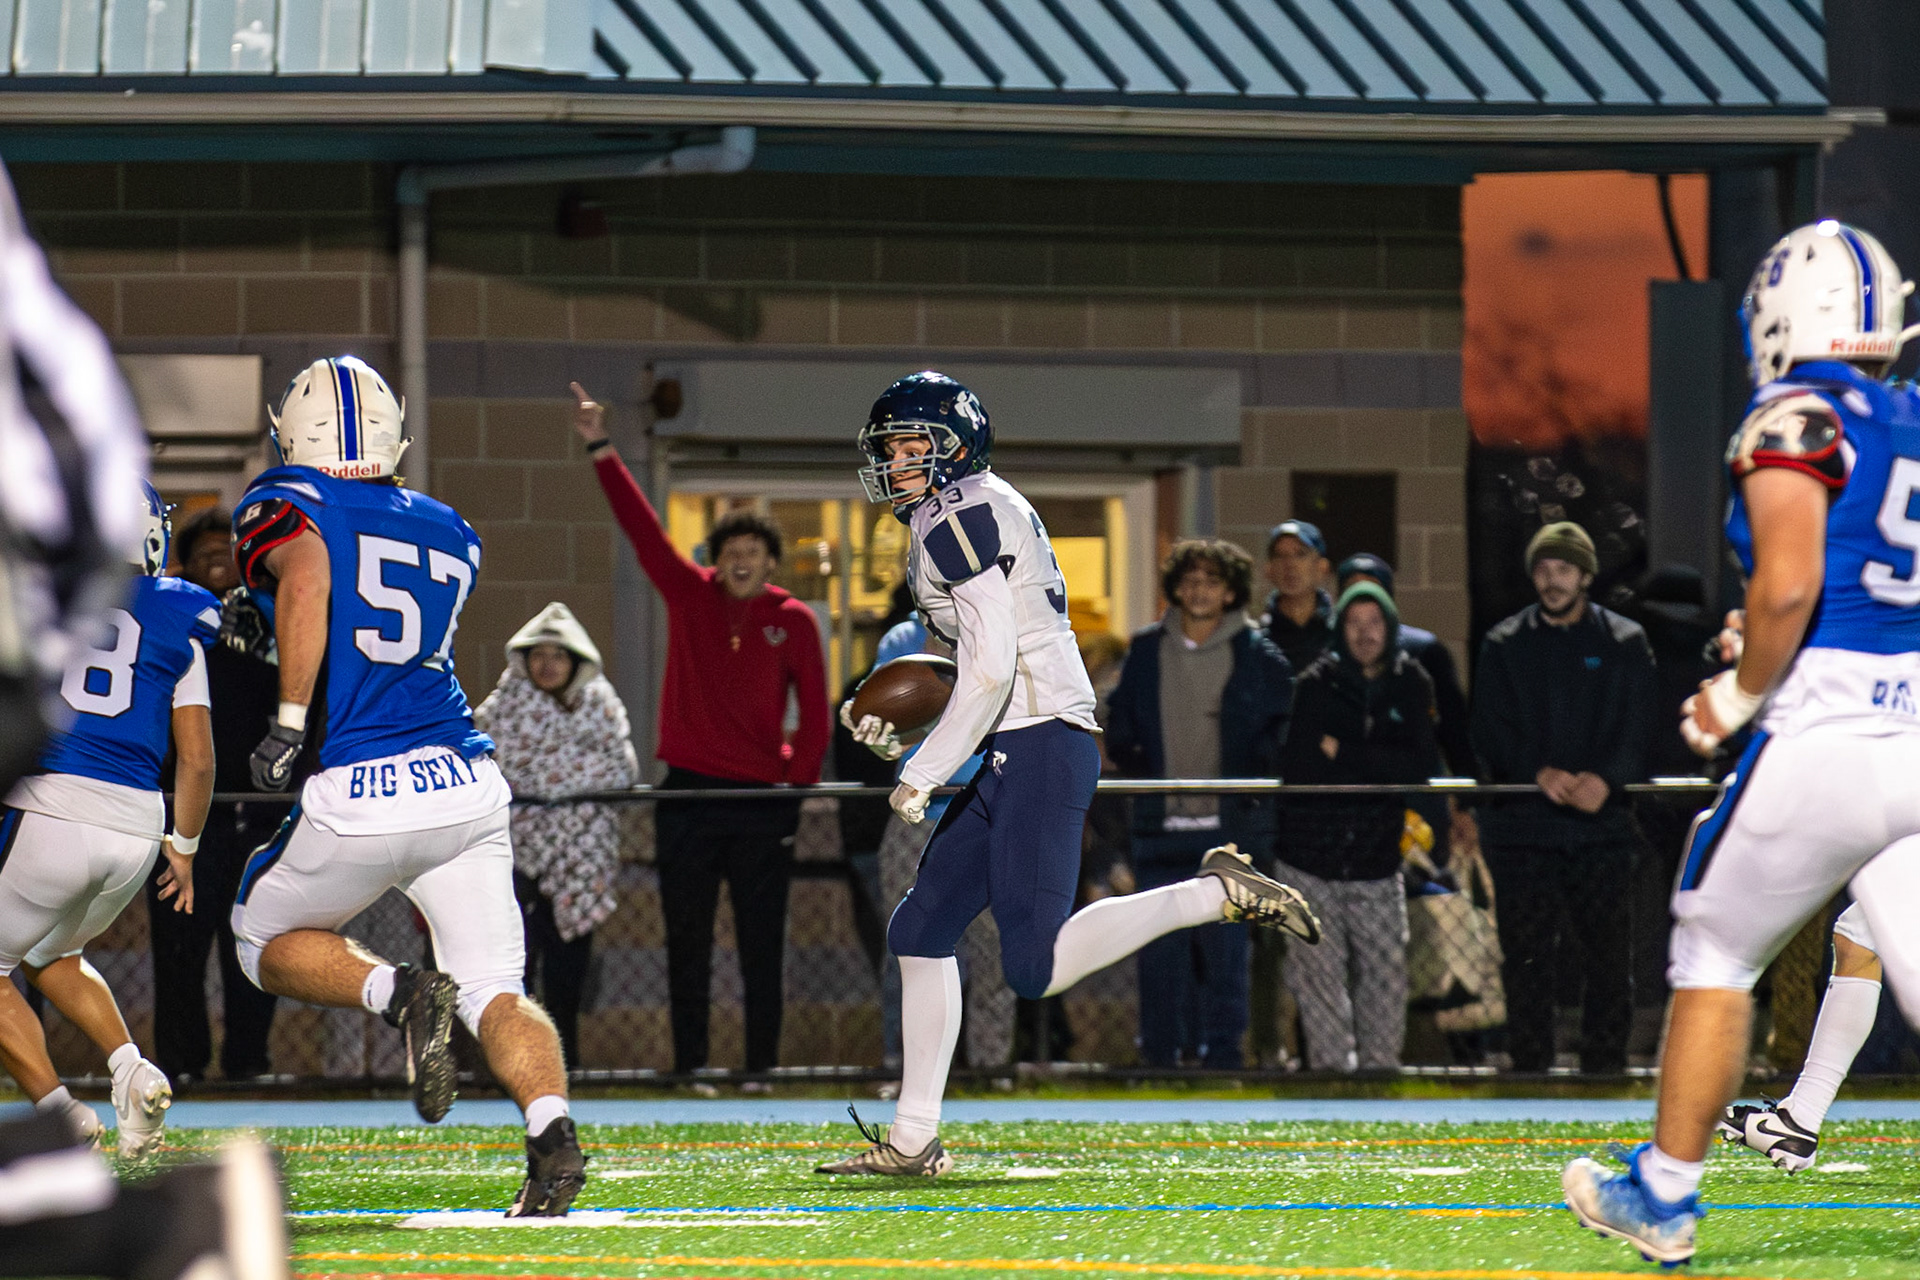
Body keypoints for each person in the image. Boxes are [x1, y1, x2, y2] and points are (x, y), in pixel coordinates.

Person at [818, 371, 1319, 1175]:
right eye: (894, 449)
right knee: (920, 929)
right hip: (1021, 742)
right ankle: (914, 1138)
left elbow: (986, 667)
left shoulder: (955, 516)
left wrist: (924, 771)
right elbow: (967, 663)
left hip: (1040, 743)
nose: (900, 463)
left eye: (916, 447)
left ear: (954, 449)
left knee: (1034, 966)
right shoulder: (968, 508)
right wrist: (893, 726)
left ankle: (1214, 892)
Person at [1561, 221, 1920, 1265]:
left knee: (1716, 948)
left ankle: (1664, 1195)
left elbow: (1795, 580)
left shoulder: (1797, 411)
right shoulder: (1908, 418)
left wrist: (1742, 688)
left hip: (1830, 727)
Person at [227, 355, 583, 1217]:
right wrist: (276, 619)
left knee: (256, 934)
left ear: (291, 433)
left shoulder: (286, 500)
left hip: (365, 783)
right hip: (463, 781)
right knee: (498, 984)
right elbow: (371, 620)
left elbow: (312, 578)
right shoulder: (451, 527)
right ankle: (553, 1136)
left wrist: (284, 719)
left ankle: (399, 992)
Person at [569, 382, 829, 1079]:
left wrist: (794, 791)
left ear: (772, 561)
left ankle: (761, 1071)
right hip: (686, 795)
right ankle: (691, 1072)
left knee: (760, 945)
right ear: (718, 557)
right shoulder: (689, 595)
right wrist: (601, 445)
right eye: (730, 548)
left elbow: (818, 713)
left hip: (758, 802)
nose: (741, 558)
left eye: (754, 549)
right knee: (686, 942)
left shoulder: (794, 620)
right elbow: (641, 528)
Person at [0, 480, 211, 1155]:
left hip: (50, 805)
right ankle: (130, 1070)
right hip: (138, 825)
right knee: (52, 954)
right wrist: (183, 846)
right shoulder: (181, 618)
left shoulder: (41, 599)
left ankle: (59, 1115)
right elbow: (199, 760)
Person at [1470, 520, 1656, 1074]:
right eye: (1544, 569)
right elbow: (1486, 728)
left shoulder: (1625, 642)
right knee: (1526, 958)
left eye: (1564, 569)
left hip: (1603, 829)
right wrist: (1536, 773)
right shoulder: (1504, 644)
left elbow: (1642, 724)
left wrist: (1609, 779)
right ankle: (1529, 1065)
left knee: (1607, 958)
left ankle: (1605, 1066)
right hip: (1524, 831)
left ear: (1586, 576)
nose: (1552, 580)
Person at [1105, 538, 1293, 1069]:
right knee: (1159, 955)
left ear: (1231, 590)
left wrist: (1254, 785)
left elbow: (1279, 730)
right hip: (1160, 825)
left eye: (1211, 580)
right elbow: (1120, 722)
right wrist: (1137, 760)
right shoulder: (1146, 649)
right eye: (1190, 580)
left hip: (1229, 832)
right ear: (1175, 588)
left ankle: (1224, 1059)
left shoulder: (1257, 653)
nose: (1199, 590)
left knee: (1227, 956)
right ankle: (1161, 1058)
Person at [145, 505, 284, 1083]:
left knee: (252, 941)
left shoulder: (278, 621)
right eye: (203, 557)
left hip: (262, 811)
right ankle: (181, 1066)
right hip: (188, 812)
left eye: (225, 552)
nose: (217, 565)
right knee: (179, 947)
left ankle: (248, 1063)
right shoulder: (176, 626)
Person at [1277, 581, 1438, 1072]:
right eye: (1354, 623)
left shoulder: (1412, 683)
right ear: (1339, 628)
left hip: (1375, 857)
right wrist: (1378, 761)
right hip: (1310, 856)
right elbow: (1303, 766)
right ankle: (1331, 1078)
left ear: (1390, 628)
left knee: (1386, 975)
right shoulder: (1315, 684)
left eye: (1375, 623)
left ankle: (1379, 1074)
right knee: (1318, 975)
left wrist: (1345, 751)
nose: (1365, 634)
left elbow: (1418, 766)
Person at [474, 601, 639, 1070]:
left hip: (580, 858)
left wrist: (542, 779)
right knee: (513, 966)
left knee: (568, 969)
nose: (547, 664)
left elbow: (621, 767)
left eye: (558, 655)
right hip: (515, 855)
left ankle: (564, 1066)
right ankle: (513, 1066)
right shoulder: (505, 704)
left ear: (576, 662)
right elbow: (489, 763)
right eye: (538, 654)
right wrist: (568, 777)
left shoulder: (601, 704)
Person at [864, 615, 1008, 1075]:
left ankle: (991, 1068)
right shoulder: (903, 639)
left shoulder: (1001, 627)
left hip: (987, 810)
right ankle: (904, 1065)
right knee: (906, 945)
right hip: (915, 814)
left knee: (994, 948)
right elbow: (877, 721)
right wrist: (865, 723)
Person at [1260, 520, 1334, 673]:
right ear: (1269, 570)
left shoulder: (1340, 634)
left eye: (1301, 554)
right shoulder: (1257, 639)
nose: (1290, 564)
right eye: (1280, 556)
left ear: (1322, 567)